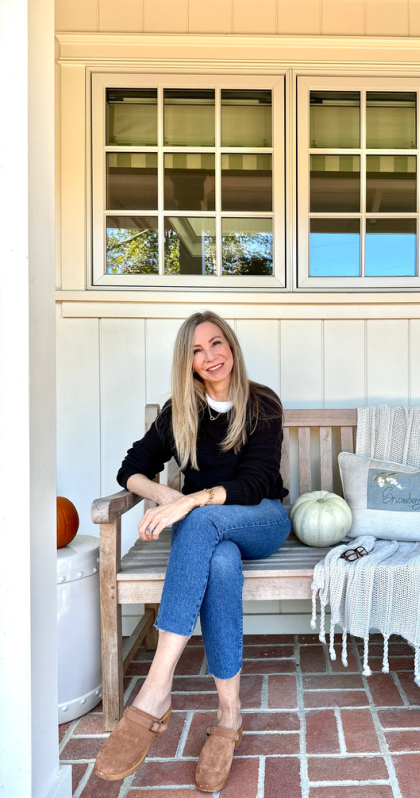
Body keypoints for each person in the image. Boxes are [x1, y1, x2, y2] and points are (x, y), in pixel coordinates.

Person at [93, 311, 290, 792]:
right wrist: (163, 496)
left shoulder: (262, 403)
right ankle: (228, 717)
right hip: (208, 535)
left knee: (202, 521)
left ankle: (157, 689)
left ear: (232, 346)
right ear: (189, 362)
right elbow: (131, 469)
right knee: (220, 563)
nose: (211, 356)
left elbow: (257, 481)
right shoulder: (179, 409)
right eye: (198, 350)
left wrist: (193, 500)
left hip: (261, 518)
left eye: (217, 343)